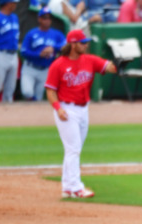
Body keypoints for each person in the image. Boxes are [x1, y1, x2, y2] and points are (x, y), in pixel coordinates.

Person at [44, 29, 118, 199]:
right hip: (66, 109)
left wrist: (118, 65)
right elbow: (50, 91)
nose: (86, 45)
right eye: (82, 42)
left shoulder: (89, 60)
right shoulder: (58, 65)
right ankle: (77, 188)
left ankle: (67, 187)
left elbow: (108, 67)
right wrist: (58, 108)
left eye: (86, 42)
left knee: (73, 149)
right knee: (73, 149)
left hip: (83, 109)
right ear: (73, 44)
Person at [20, 7, 66, 101]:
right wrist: (38, 54)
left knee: (38, 97)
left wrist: (54, 48)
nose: (47, 20)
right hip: (30, 68)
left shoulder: (56, 34)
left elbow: (65, 44)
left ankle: (32, 114)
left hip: (45, 69)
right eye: (44, 17)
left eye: (49, 18)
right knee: (27, 92)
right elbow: (23, 51)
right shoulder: (32, 33)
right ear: (39, 19)